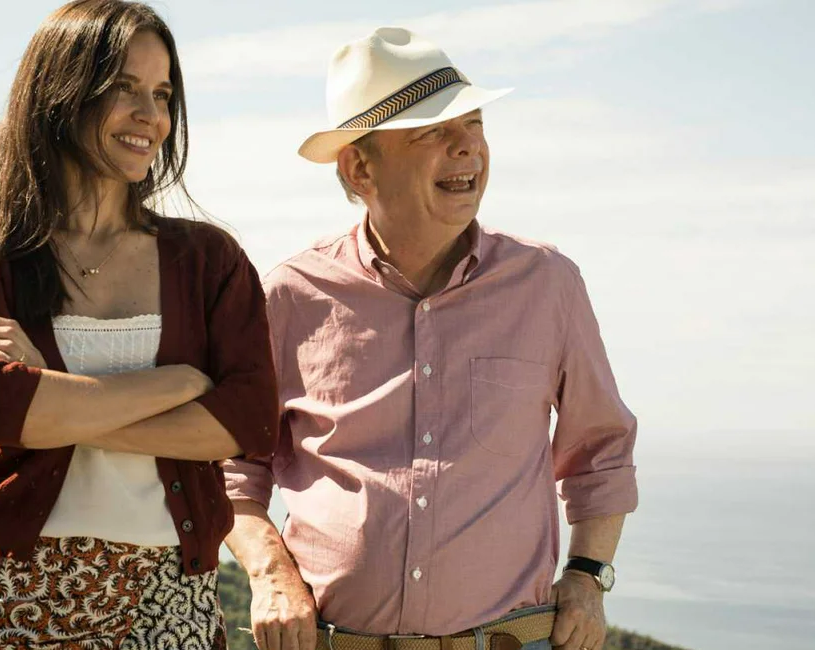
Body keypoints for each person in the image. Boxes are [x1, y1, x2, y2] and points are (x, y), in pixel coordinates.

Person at [223, 28, 638, 650]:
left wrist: (586, 574)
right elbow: (231, 465)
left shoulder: (547, 284)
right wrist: (268, 572)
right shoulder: (290, 293)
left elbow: (600, 450)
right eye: (434, 132)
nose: (467, 147)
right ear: (360, 167)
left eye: (473, 126)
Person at [0, 2, 278, 647]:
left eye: (162, 95)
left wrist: (58, 390)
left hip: (169, 596)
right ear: (60, 95)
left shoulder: (208, 259)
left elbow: (246, 421)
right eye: (123, 89)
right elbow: (11, 414)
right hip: (13, 591)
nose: (151, 117)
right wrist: (180, 382)